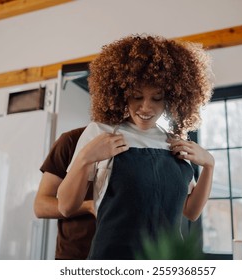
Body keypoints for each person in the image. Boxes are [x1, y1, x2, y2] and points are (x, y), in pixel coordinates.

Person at [57, 34, 215, 260]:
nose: (146, 107)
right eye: (136, 96)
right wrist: (85, 158)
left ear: (171, 97)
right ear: (121, 94)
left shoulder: (173, 141)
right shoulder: (101, 132)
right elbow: (65, 206)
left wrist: (209, 165)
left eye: (157, 98)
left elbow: (191, 212)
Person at [34, 127, 96, 260]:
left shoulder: (140, 145)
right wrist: (89, 206)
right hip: (75, 256)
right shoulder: (70, 140)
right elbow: (40, 206)